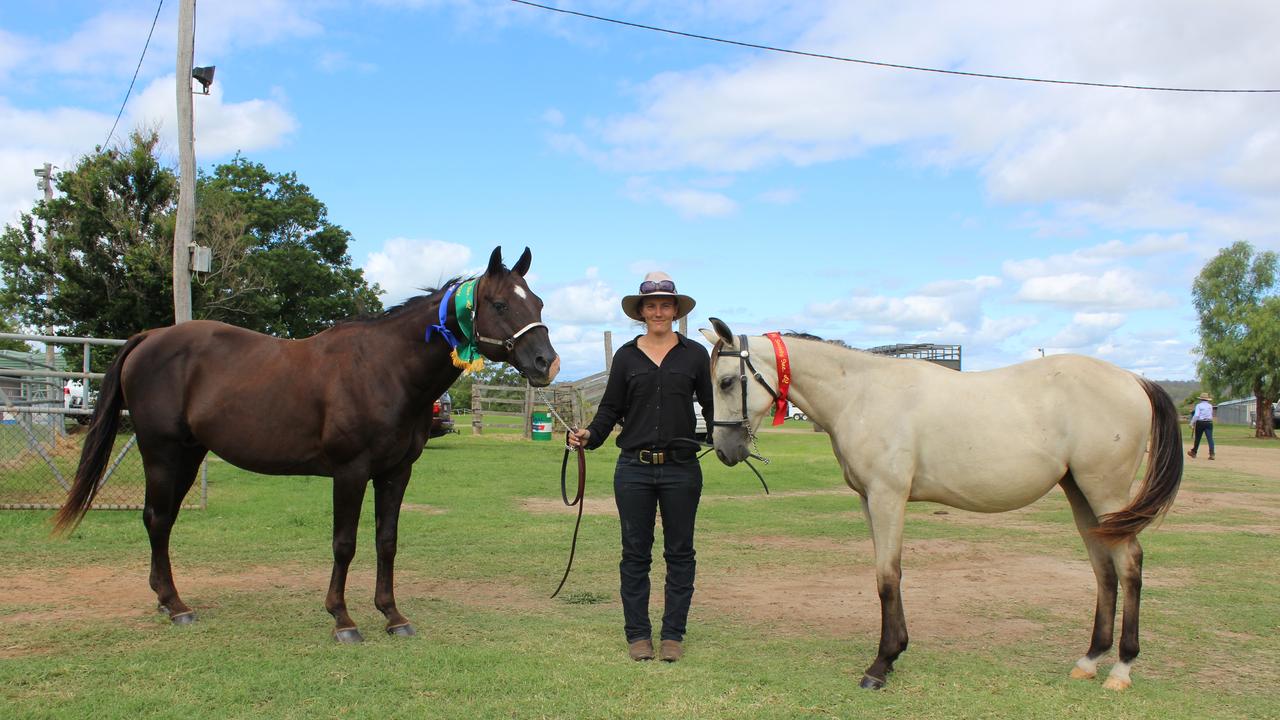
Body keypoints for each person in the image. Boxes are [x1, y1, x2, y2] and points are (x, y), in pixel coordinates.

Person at [567, 271, 713, 663]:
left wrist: (726, 437)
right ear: (642, 311)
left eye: (666, 304)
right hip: (633, 469)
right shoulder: (627, 357)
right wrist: (589, 436)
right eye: (652, 305)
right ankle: (638, 636)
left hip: (682, 469)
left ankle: (673, 636)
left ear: (675, 309)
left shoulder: (696, 355)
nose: (659, 311)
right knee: (635, 554)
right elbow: (611, 408)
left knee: (681, 553)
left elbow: (714, 407)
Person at [1188, 391, 1215, 460]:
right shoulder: (1210, 406)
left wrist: (1191, 423)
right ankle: (1212, 453)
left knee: (1198, 438)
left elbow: (1196, 415)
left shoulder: (1199, 406)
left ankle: (1194, 452)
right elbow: (1211, 414)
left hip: (1200, 422)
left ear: (1201, 399)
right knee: (1210, 438)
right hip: (1209, 422)